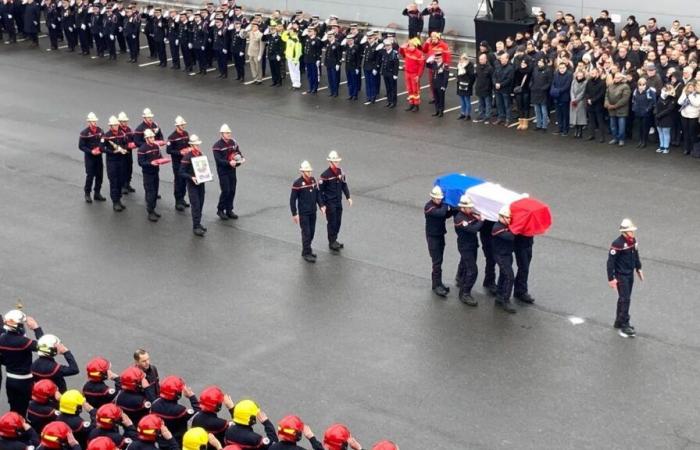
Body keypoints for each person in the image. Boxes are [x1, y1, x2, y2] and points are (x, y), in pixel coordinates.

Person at [0, 310, 43, 416]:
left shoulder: (2, 339)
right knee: (23, 411)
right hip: (24, 381)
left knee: (14, 409)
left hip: (10, 380)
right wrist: (36, 328)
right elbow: (44, 345)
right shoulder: (23, 342)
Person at [607, 219, 643, 338]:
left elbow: (635, 255)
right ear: (625, 232)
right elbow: (610, 262)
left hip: (630, 274)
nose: (633, 233)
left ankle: (618, 320)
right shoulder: (617, 244)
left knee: (623, 299)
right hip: (621, 276)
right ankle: (625, 323)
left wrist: (639, 268)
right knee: (625, 299)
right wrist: (611, 278)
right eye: (631, 231)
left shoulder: (633, 241)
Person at [290, 161, 325, 263]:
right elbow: (292, 200)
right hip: (304, 213)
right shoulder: (297, 184)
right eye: (307, 171)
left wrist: (321, 205)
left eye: (310, 171)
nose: (309, 173)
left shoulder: (313, 180)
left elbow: (317, 194)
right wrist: (294, 213)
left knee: (312, 231)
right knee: (306, 233)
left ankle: (307, 249)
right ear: (302, 172)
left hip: (312, 211)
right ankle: (306, 252)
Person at [150, 376, 199, 445]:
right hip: (176, 443)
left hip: (159, 442)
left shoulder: (155, 405)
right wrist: (191, 396)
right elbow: (199, 414)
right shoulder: (180, 410)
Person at [318, 151, 352, 252]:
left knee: (338, 221)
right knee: (332, 222)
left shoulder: (341, 172)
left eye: (337, 161)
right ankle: (331, 241)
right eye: (335, 161)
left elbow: (344, 185)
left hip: (338, 201)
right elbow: (320, 191)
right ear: (330, 162)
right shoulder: (325, 175)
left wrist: (348, 197)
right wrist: (322, 205)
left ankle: (335, 239)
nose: (337, 163)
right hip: (330, 203)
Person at [453, 194, 483, 306]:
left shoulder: (469, 215)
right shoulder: (460, 219)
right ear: (462, 207)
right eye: (469, 207)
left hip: (472, 245)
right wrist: (481, 220)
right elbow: (473, 229)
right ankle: (465, 294)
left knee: (465, 265)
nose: (471, 209)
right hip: (465, 247)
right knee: (473, 270)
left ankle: (460, 278)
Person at [424, 186, 452, 297]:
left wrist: (454, 209)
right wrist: (447, 203)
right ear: (432, 197)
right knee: (437, 262)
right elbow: (441, 213)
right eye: (438, 198)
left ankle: (439, 283)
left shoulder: (440, 206)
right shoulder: (429, 207)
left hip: (440, 235)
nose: (439, 200)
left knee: (440, 260)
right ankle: (436, 285)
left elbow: (446, 214)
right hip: (432, 237)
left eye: (441, 198)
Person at [178, 134, 207, 237]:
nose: (197, 147)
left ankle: (198, 222)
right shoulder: (187, 157)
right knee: (195, 205)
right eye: (195, 145)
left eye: (198, 145)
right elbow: (181, 172)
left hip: (201, 183)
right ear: (191, 145)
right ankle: (196, 226)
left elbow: (204, 168)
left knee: (201, 203)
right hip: (192, 184)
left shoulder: (200, 154)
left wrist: (207, 175)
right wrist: (191, 177)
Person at [491, 206, 516, 313]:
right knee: (509, 276)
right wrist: (516, 228)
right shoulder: (497, 227)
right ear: (501, 217)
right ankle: (506, 300)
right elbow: (510, 237)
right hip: (500, 255)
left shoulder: (506, 226)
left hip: (507, 254)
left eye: (510, 218)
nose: (509, 220)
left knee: (503, 275)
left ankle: (500, 296)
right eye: (507, 217)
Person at [137, 129, 165, 222]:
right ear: (146, 139)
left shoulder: (156, 146)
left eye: (153, 137)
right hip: (147, 173)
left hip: (155, 172)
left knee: (155, 191)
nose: (153, 138)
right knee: (150, 192)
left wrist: (162, 161)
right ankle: (150, 212)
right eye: (150, 137)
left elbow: (160, 157)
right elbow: (141, 163)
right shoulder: (142, 149)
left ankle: (153, 209)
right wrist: (151, 163)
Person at [102, 115, 129, 211]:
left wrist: (124, 149)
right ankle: (115, 202)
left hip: (121, 160)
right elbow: (101, 148)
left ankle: (119, 199)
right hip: (112, 161)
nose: (116, 126)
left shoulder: (122, 133)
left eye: (117, 125)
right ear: (110, 126)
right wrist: (112, 152)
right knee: (114, 181)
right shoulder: (106, 136)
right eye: (114, 125)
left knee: (121, 181)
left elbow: (126, 143)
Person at [79, 112, 106, 203]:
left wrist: (100, 148)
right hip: (90, 158)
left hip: (98, 157)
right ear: (89, 123)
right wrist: (91, 151)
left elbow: (103, 141)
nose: (94, 123)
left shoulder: (100, 131)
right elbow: (81, 146)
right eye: (92, 121)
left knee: (99, 175)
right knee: (90, 175)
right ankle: (87, 193)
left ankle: (97, 193)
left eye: (95, 121)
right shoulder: (84, 133)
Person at [166, 116, 191, 212]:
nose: (183, 126)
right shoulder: (172, 137)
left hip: (186, 162)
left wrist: (189, 149)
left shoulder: (186, 134)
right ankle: (178, 201)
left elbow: (189, 145)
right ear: (177, 125)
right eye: (181, 125)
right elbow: (169, 151)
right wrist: (179, 152)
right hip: (177, 163)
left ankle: (182, 199)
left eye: (183, 124)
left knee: (184, 181)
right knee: (178, 182)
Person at [605, 72, 632, 147]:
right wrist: (607, 104)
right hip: (611, 108)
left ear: (622, 78)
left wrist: (615, 106)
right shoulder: (610, 86)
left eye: (617, 77)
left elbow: (625, 99)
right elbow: (606, 96)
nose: (615, 79)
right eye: (615, 77)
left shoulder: (625, 86)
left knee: (621, 126)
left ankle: (621, 139)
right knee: (613, 125)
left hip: (621, 109)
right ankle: (615, 138)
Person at [398, 37, 424, 111]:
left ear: (415, 46)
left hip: (414, 74)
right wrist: (402, 47)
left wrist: (418, 76)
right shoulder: (407, 50)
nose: (410, 47)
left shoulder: (419, 54)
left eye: (412, 45)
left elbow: (421, 66)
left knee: (415, 90)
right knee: (409, 89)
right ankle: (411, 103)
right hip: (407, 73)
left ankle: (416, 104)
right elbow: (401, 52)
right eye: (409, 45)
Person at [631, 77, 657, 148]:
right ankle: (640, 140)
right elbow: (633, 100)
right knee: (639, 127)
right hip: (638, 111)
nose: (641, 85)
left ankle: (644, 141)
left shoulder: (650, 91)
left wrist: (648, 109)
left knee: (645, 127)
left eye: (643, 84)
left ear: (646, 84)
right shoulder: (635, 90)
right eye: (640, 84)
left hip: (646, 113)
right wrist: (634, 108)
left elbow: (653, 101)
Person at [549, 62, 573, 136]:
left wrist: (558, 91)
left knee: (565, 114)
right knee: (558, 114)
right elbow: (553, 83)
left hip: (565, 97)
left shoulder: (569, 74)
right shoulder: (556, 74)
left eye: (563, 68)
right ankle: (560, 128)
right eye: (560, 68)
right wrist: (553, 90)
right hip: (557, 96)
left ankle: (565, 129)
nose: (561, 69)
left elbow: (567, 86)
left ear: (566, 68)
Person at [677, 80, 700, 156]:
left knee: (692, 133)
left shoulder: (697, 95)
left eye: (692, 87)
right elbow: (679, 102)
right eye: (689, 87)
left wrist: (690, 96)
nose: (690, 88)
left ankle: (692, 148)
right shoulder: (685, 93)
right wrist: (685, 94)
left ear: (694, 88)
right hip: (684, 115)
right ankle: (686, 148)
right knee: (685, 132)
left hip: (693, 116)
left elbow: (696, 104)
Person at [584, 68, 606, 142]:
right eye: (591, 73)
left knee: (600, 121)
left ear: (598, 73)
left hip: (598, 104)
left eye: (593, 73)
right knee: (591, 120)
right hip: (590, 104)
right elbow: (586, 92)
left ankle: (602, 137)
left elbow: (601, 94)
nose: (592, 74)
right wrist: (588, 99)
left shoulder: (602, 83)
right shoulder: (589, 82)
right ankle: (592, 135)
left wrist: (592, 100)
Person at [117, 112, 137, 195]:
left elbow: (133, 138)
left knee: (129, 168)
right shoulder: (118, 131)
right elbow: (117, 144)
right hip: (121, 154)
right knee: (122, 169)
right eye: (123, 121)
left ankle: (128, 184)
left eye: (126, 121)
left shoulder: (129, 129)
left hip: (129, 153)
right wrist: (127, 146)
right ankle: (122, 186)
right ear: (120, 122)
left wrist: (133, 143)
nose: (125, 123)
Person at [530, 58, 552, 131]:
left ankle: (544, 126)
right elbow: (532, 79)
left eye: (541, 62)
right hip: (535, 92)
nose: (539, 63)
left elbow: (549, 82)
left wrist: (544, 88)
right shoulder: (535, 69)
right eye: (538, 62)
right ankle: (538, 125)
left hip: (543, 93)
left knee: (543, 110)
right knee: (537, 110)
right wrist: (531, 86)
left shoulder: (548, 70)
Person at [492, 53, 514, 126]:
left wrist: (500, 84)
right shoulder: (498, 67)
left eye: (503, 58)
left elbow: (509, 79)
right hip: (498, 89)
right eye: (501, 58)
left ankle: (508, 119)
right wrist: (495, 83)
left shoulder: (510, 68)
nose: (501, 60)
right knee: (499, 104)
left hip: (505, 90)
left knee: (507, 105)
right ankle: (500, 117)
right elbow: (494, 76)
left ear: (507, 59)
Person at [513, 234, 535, 304]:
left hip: (528, 242)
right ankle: (521, 291)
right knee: (524, 267)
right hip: (520, 243)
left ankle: (518, 290)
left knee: (524, 267)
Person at [654, 84, 676, 154]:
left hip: (667, 118)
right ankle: (661, 146)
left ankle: (666, 147)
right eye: (663, 89)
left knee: (666, 133)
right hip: (658, 117)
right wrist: (655, 113)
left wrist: (659, 115)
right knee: (660, 133)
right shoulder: (660, 97)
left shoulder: (672, 98)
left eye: (666, 90)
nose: (664, 91)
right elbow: (656, 106)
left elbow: (669, 109)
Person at [426, 50, 448, 117]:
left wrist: (444, 86)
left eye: (437, 58)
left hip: (441, 85)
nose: (436, 60)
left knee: (441, 99)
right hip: (435, 84)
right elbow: (428, 65)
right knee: (436, 98)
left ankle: (441, 111)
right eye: (435, 58)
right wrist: (427, 61)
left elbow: (446, 77)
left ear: (441, 58)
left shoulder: (444, 65)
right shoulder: (434, 64)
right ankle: (437, 110)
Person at [473, 53, 493, 123]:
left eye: (481, 59)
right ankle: (480, 115)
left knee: (488, 103)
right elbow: (476, 76)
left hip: (487, 89)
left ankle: (487, 117)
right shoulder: (478, 67)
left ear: (485, 59)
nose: (480, 61)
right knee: (480, 103)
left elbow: (492, 79)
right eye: (479, 60)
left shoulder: (489, 68)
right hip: (479, 88)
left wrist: (490, 87)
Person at [513, 55, 532, 130]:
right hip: (518, 91)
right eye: (522, 63)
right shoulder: (517, 71)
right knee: (519, 107)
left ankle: (525, 122)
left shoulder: (529, 72)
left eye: (524, 63)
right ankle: (520, 122)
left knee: (526, 107)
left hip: (526, 91)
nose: (523, 64)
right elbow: (514, 81)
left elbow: (530, 82)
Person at [379, 39, 399, 108]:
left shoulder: (394, 53)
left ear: (391, 46)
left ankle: (394, 102)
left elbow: (396, 65)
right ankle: (389, 101)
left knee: (393, 88)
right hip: (385, 73)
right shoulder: (384, 52)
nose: (387, 47)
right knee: (388, 88)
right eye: (386, 46)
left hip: (391, 73)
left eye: (388, 45)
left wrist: (395, 74)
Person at [281, 25, 302, 90]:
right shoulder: (289, 38)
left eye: (291, 30)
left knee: (295, 71)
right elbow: (283, 37)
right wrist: (287, 30)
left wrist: (296, 59)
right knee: (291, 71)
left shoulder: (296, 40)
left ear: (295, 32)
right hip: (289, 58)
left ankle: (297, 84)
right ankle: (294, 84)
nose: (290, 32)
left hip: (294, 59)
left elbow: (298, 51)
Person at [455, 53, 474, 120]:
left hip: (467, 85)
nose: (461, 60)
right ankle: (462, 113)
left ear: (466, 59)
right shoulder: (459, 65)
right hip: (460, 84)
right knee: (462, 99)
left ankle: (467, 114)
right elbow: (457, 74)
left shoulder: (470, 65)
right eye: (460, 59)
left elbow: (472, 76)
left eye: (462, 59)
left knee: (467, 100)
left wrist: (469, 84)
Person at [569, 70, 588, 138]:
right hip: (573, 101)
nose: (579, 77)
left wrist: (576, 100)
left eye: (581, 76)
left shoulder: (585, 82)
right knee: (574, 116)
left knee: (580, 117)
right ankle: (576, 130)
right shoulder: (574, 81)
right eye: (578, 75)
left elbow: (583, 93)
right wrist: (573, 99)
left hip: (580, 101)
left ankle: (580, 131)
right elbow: (571, 90)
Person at [323, 30, 342, 97]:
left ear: (334, 36)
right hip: (328, 63)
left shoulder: (337, 44)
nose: (329, 38)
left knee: (335, 79)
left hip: (334, 64)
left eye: (330, 37)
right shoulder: (328, 43)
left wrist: (338, 64)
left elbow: (339, 55)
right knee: (330, 78)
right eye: (328, 37)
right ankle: (331, 91)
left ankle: (335, 92)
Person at [343, 34, 362, 101]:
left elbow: (358, 59)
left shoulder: (356, 48)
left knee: (354, 81)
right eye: (348, 40)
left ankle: (355, 95)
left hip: (354, 67)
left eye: (350, 40)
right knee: (350, 82)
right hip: (348, 67)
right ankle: (350, 94)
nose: (348, 42)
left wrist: (357, 67)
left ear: (353, 40)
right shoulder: (347, 47)